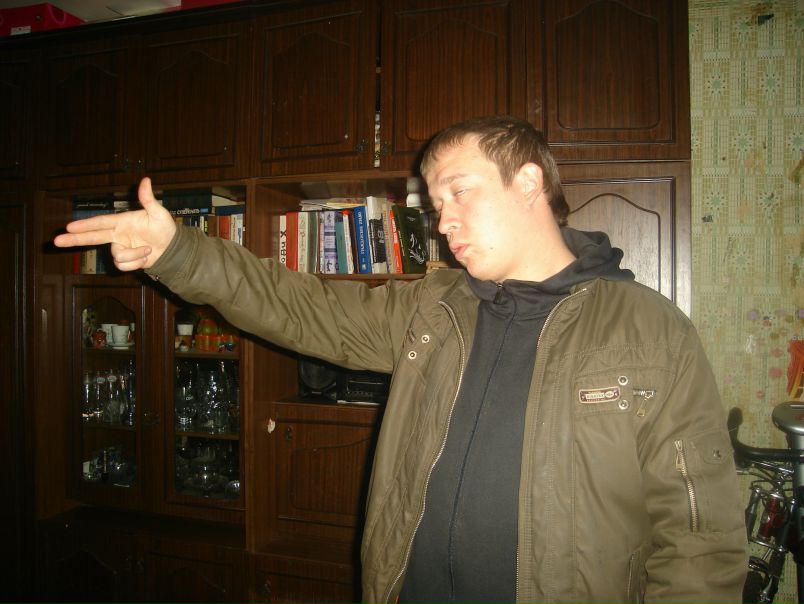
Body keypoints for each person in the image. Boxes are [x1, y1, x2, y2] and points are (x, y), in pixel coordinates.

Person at [55, 115, 748, 603]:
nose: (441, 222)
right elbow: (298, 306)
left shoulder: (650, 331)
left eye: (459, 192)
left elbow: (699, 539)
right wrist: (179, 252)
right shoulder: (432, 309)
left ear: (528, 181)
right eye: (434, 202)